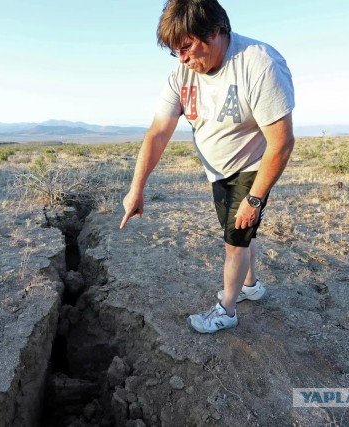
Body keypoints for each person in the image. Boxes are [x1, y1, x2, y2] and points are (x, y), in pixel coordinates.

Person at [120, 0, 295, 334]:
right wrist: (136, 188)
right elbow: (158, 133)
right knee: (241, 234)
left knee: (235, 239)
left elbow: (282, 142)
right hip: (217, 170)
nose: (183, 59)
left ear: (214, 31)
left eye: (186, 48)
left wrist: (255, 198)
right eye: (175, 52)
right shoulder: (182, 74)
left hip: (252, 165)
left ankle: (227, 310)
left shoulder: (258, 63)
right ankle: (251, 286)